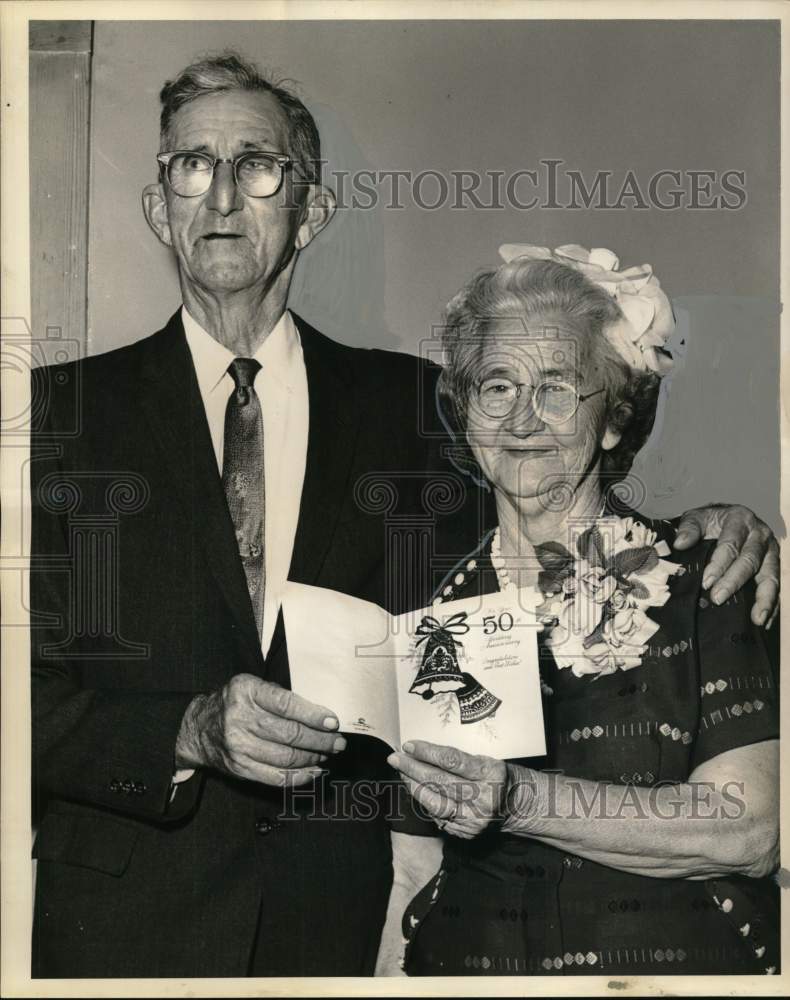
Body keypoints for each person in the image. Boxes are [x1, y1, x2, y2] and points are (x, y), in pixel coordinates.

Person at [29, 52, 778, 979]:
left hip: (336, 923)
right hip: (122, 926)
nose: (221, 195)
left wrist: (719, 522)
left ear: (312, 210)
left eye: (256, 164)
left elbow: (550, 497)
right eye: (191, 164)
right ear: (159, 206)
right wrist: (184, 730)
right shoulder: (52, 416)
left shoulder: (420, 408)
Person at [385, 246, 780, 977]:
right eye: (497, 385)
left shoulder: (708, 577)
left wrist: (516, 798)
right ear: (467, 414)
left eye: (559, 388)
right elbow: (413, 872)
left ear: (612, 420)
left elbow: (749, 828)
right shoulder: (439, 614)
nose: (523, 417)